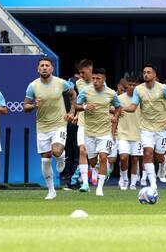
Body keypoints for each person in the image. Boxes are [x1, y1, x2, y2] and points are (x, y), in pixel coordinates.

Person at [24, 57, 77, 200]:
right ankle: (51, 190)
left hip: (59, 123)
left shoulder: (61, 83)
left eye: (47, 65)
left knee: (57, 150)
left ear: (52, 69)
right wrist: (34, 104)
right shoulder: (33, 86)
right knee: (45, 159)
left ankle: (61, 157)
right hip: (42, 127)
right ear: (38, 69)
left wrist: (72, 111)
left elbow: (73, 94)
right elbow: (25, 106)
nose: (45, 67)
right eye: (42, 65)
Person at [122, 64, 166, 189]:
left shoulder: (163, 88)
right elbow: (133, 107)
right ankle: (152, 183)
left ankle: (163, 164)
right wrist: (122, 109)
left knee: (159, 155)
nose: (145, 74)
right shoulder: (138, 89)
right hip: (145, 128)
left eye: (148, 72)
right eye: (144, 72)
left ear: (154, 75)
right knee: (147, 153)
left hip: (161, 127)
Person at [76, 67, 121, 196]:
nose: (95, 81)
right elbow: (77, 106)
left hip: (105, 132)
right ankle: (99, 168)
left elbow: (118, 108)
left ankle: (99, 188)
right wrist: (84, 107)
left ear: (104, 79)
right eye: (93, 78)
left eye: (98, 78)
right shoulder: (85, 91)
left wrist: (115, 116)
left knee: (103, 157)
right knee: (92, 161)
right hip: (89, 132)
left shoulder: (111, 93)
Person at [73, 59, 96, 191]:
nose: (80, 75)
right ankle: (85, 183)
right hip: (83, 122)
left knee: (94, 156)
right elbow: (78, 101)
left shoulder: (100, 83)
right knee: (82, 150)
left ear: (90, 69)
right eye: (79, 73)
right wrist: (76, 114)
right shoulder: (78, 83)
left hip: (98, 124)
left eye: (83, 72)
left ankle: (96, 169)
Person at [117, 77, 143, 190]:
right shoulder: (118, 98)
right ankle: (124, 180)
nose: (132, 87)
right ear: (126, 86)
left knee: (135, 159)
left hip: (138, 134)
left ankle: (133, 183)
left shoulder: (141, 99)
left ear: (137, 86)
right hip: (122, 133)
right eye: (130, 84)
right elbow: (113, 112)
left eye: (134, 85)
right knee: (123, 158)